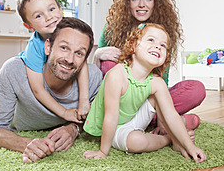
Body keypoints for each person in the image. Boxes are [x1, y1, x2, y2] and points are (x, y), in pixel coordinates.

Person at [93, 0, 206, 133]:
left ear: (155, 3)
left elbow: (162, 79)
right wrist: (98, 54)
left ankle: (151, 120)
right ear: (127, 3)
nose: (141, 5)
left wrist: (161, 120)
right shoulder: (112, 28)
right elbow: (98, 74)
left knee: (196, 89)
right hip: (120, 100)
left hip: (150, 98)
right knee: (108, 65)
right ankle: (167, 121)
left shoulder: (163, 33)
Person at [0, 17, 103, 164]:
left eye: (79, 53)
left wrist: (73, 129)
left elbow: (95, 118)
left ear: (85, 58)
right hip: (21, 127)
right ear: (47, 47)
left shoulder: (94, 77)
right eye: (64, 48)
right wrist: (26, 143)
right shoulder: (14, 70)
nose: (70, 59)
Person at [83, 23, 206, 163]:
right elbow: (111, 117)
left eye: (163, 45)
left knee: (159, 97)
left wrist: (190, 146)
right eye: (151, 40)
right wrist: (103, 151)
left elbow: (171, 115)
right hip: (115, 127)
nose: (158, 46)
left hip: (135, 120)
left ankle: (178, 141)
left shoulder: (156, 82)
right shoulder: (117, 75)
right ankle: (168, 139)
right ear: (133, 45)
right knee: (136, 141)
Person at [17, 0, 90, 124]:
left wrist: (84, 101)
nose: (49, 17)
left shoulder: (70, 29)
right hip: (40, 78)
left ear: (60, 9)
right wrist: (64, 112)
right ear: (29, 26)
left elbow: (83, 66)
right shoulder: (34, 47)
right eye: (39, 16)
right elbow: (37, 90)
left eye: (51, 9)